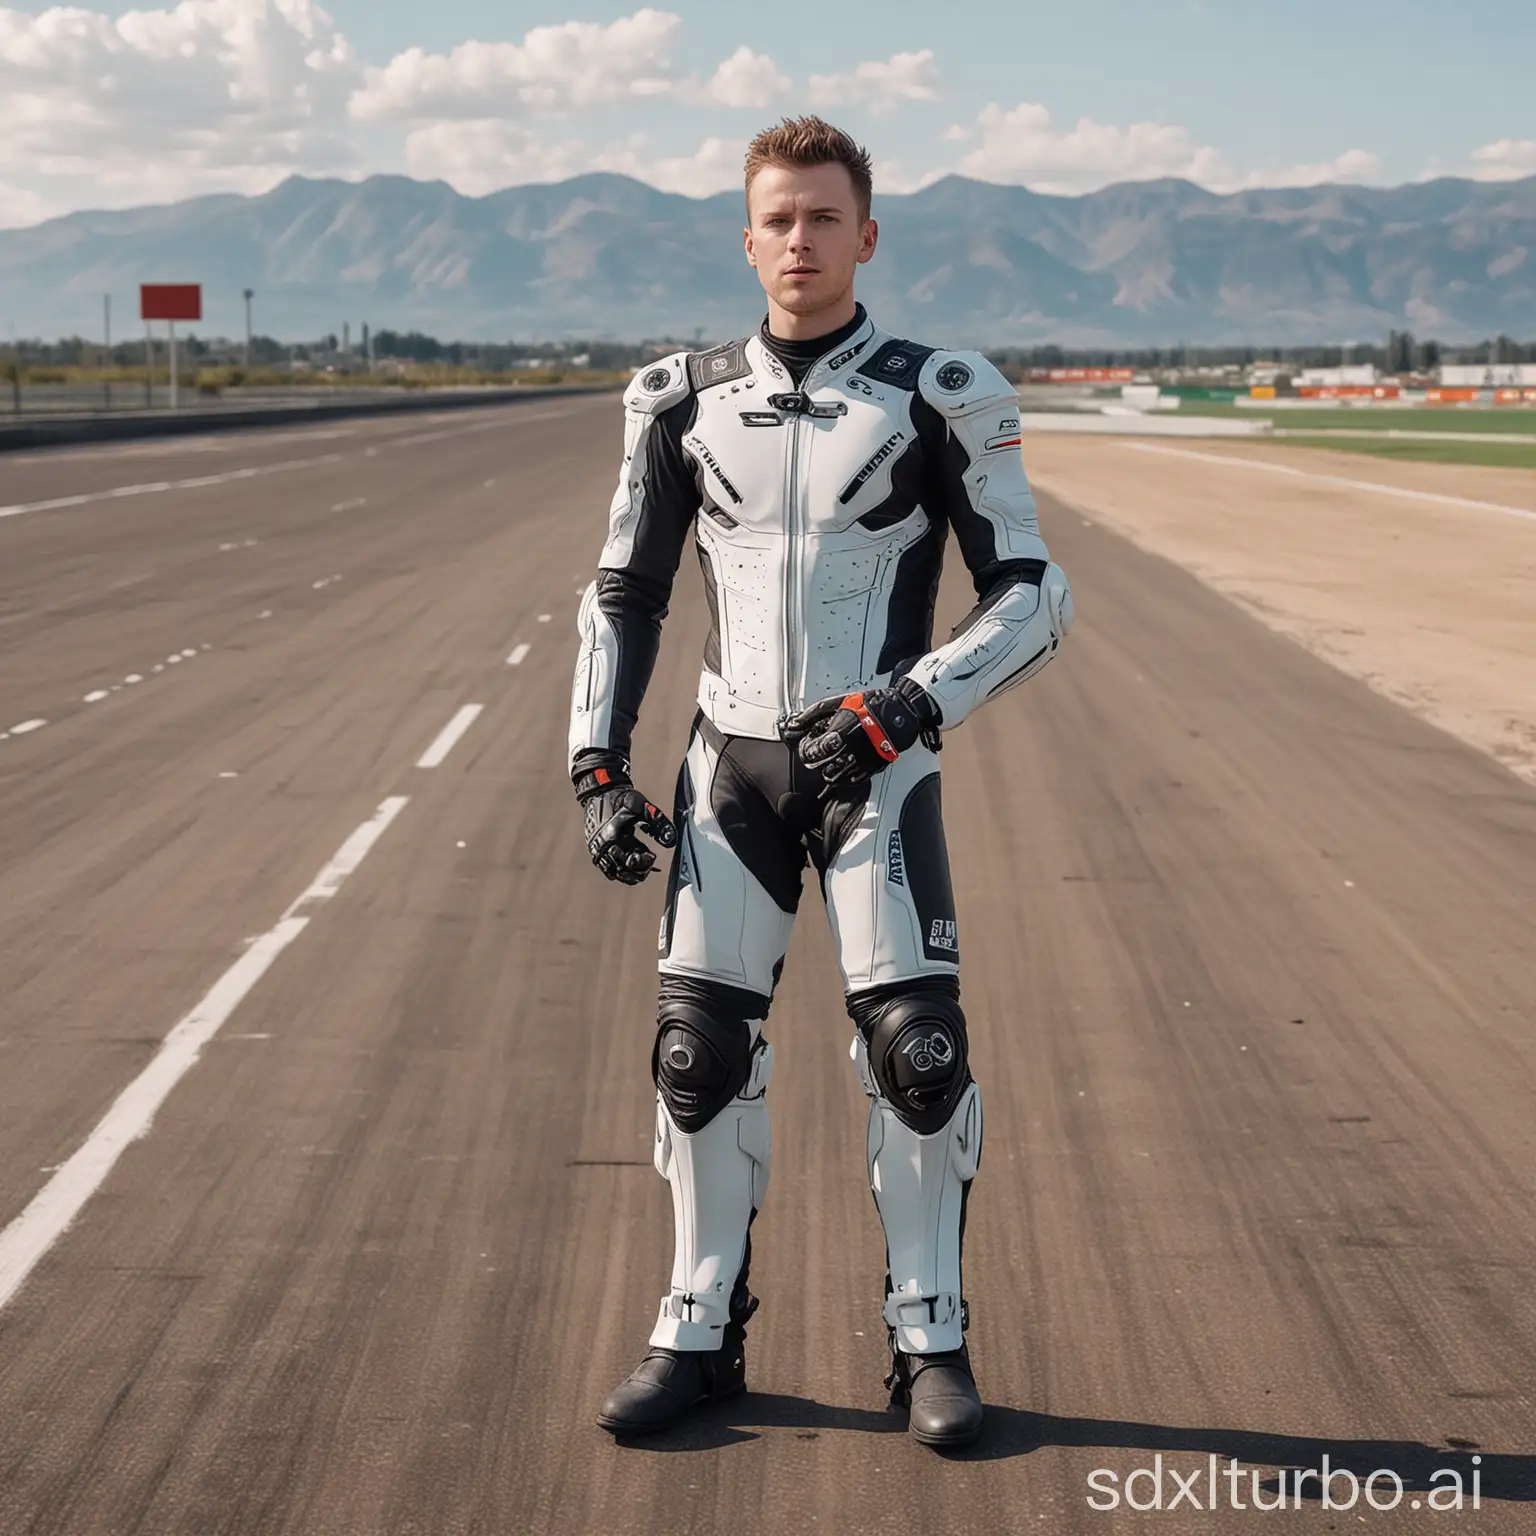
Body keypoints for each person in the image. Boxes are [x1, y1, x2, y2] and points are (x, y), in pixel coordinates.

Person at [568, 115, 1073, 1449]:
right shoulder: (677, 398)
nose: (801, 239)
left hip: (878, 773)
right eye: (778, 219)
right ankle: (696, 1332)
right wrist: (596, 764)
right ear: (748, 239)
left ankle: (932, 1345)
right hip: (726, 762)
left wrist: (908, 704)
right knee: (696, 1056)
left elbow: (1033, 592)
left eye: (824, 217)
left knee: (919, 1058)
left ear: (867, 233)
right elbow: (624, 588)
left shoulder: (943, 391)